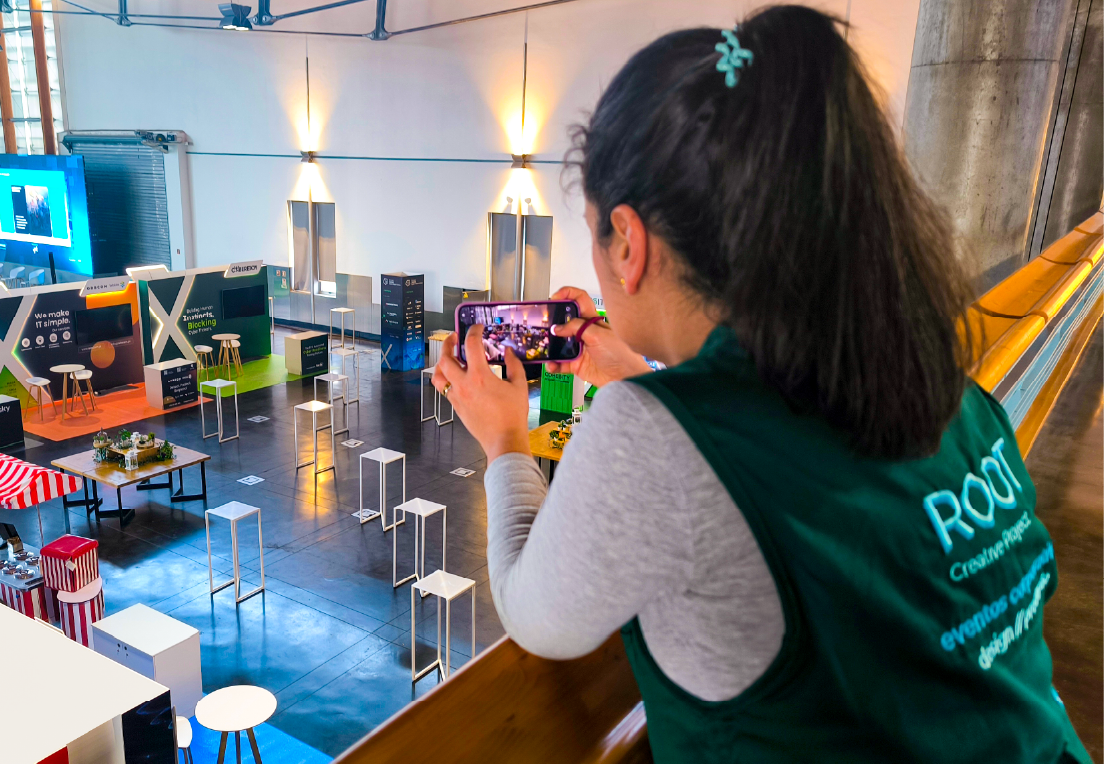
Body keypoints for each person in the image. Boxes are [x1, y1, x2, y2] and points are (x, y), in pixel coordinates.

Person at [429, 6, 1091, 763]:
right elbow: (774, 437)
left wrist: (505, 439)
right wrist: (627, 373)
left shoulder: (651, 438)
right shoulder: (949, 393)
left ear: (629, 242)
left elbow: (536, 617)